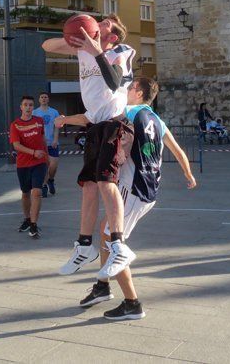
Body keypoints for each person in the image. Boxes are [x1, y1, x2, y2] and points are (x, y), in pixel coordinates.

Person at [62, 77, 197, 320]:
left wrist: (63, 120)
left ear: (138, 92)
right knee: (106, 230)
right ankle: (102, 286)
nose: (125, 90)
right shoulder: (157, 120)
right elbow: (178, 151)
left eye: (130, 87)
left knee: (113, 241)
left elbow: (91, 117)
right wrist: (188, 174)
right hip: (147, 188)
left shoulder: (129, 112)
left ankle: (132, 303)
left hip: (134, 189)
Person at [42, 14, 137, 279]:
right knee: (89, 187)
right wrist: (72, 38)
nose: (98, 23)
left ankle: (118, 244)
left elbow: (114, 82)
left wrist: (97, 52)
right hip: (95, 126)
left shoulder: (121, 52)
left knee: (106, 183)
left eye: (104, 24)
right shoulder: (83, 50)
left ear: (112, 36)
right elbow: (46, 46)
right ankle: (84, 246)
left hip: (115, 124)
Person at [10, 96, 47, 239]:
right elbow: (16, 145)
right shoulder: (15, 125)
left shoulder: (39, 121)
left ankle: (34, 224)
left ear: (33, 107)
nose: (28, 107)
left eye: (31, 105)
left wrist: (47, 157)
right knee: (26, 193)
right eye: (25, 105)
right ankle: (27, 219)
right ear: (21, 107)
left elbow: (43, 139)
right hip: (23, 164)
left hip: (39, 163)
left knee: (36, 192)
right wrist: (33, 152)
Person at [32, 92, 60, 197]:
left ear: (48, 99)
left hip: (52, 143)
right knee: (44, 166)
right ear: (39, 100)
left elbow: (57, 127)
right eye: (42, 97)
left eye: (45, 97)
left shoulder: (54, 112)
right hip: (40, 144)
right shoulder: (35, 112)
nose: (44, 99)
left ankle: (50, 180)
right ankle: (44, 186)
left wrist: (55, 140)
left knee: (53, 165)